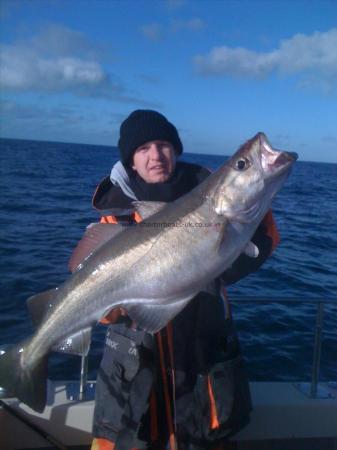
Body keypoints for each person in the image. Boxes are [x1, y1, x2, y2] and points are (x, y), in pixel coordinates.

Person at [86, 110, 280, 450]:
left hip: (202, 367)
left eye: (163, 145)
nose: (156, 155)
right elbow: (94, 288)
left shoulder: (206, 190)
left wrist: (252, 200)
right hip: (134, 374)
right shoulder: (114, 212)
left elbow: (264, 240)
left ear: (175, 150)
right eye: (143, 148)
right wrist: (109, 310)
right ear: (131, 159)